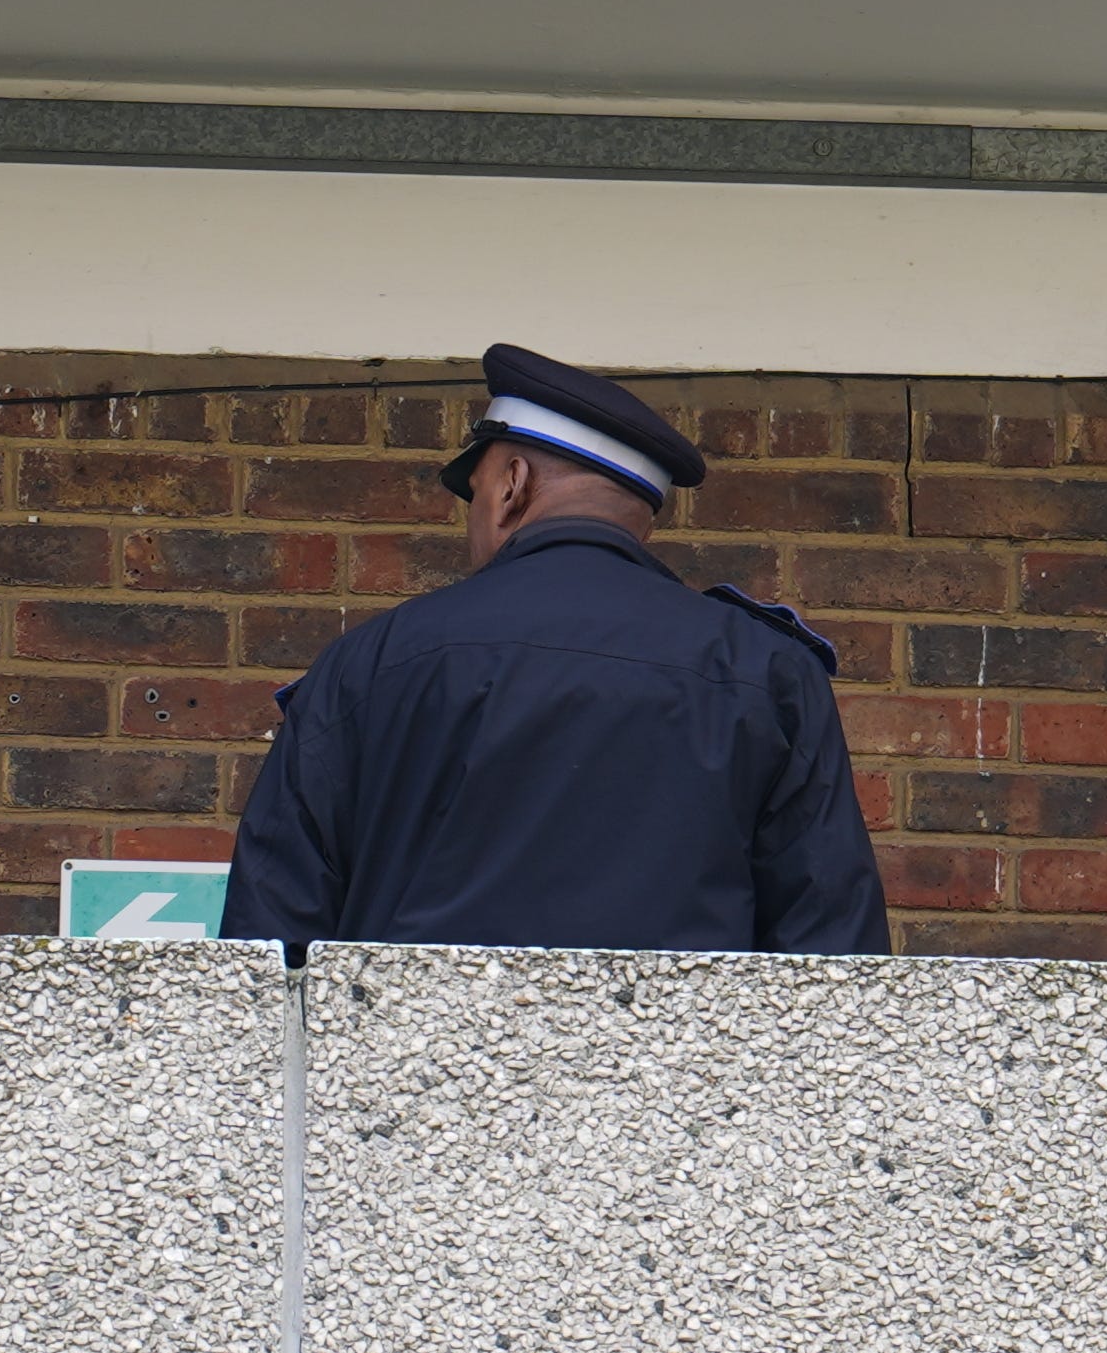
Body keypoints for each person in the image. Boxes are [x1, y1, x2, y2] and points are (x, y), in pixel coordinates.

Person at [218, 344, 890, 955]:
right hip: (683, 1083)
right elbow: (831, 961)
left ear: (512, 484)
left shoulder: (370, 662)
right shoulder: (765, 672)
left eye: (475, 494)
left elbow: (271, 944)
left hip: (408, 1077)